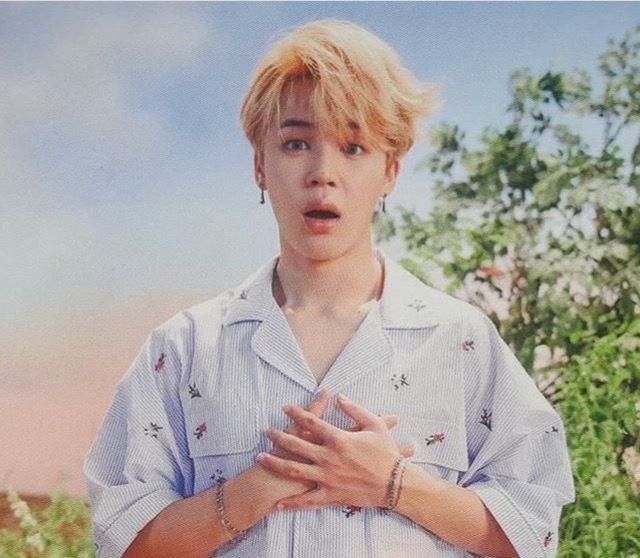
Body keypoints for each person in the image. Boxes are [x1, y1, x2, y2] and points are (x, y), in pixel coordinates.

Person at [83, 19, 575, 558]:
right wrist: (256, 490)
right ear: (260, 165)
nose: (322, 173)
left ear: (390, 171)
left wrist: (393, 484)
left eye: (354, 147)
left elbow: (533, 535)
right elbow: (124, 543)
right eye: (296, 144)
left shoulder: (461, 340)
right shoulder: (183, 348)